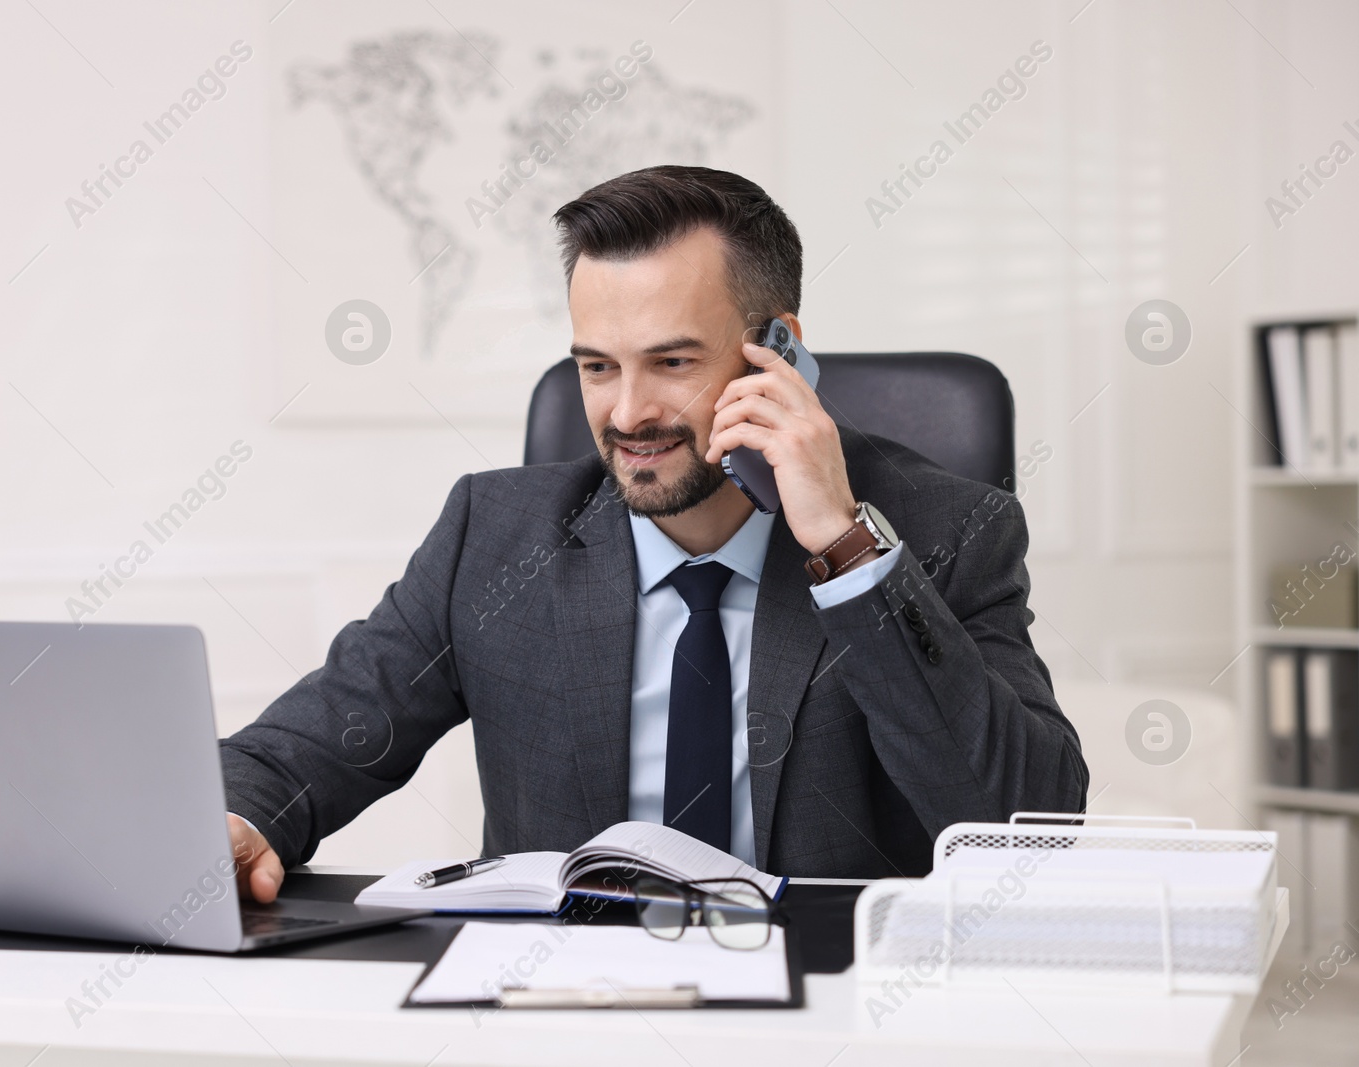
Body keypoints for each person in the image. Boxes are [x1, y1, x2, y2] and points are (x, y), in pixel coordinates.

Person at [222, 164, 1087, 903]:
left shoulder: (946, 533)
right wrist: (242, 815)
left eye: (672, 362)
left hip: (833, 1013)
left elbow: (1026, 828)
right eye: (597, 366)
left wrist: (842, 547)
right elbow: (311, 740)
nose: (628, 412)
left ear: (778, 350)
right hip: (567, 1009)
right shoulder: (494, 536)